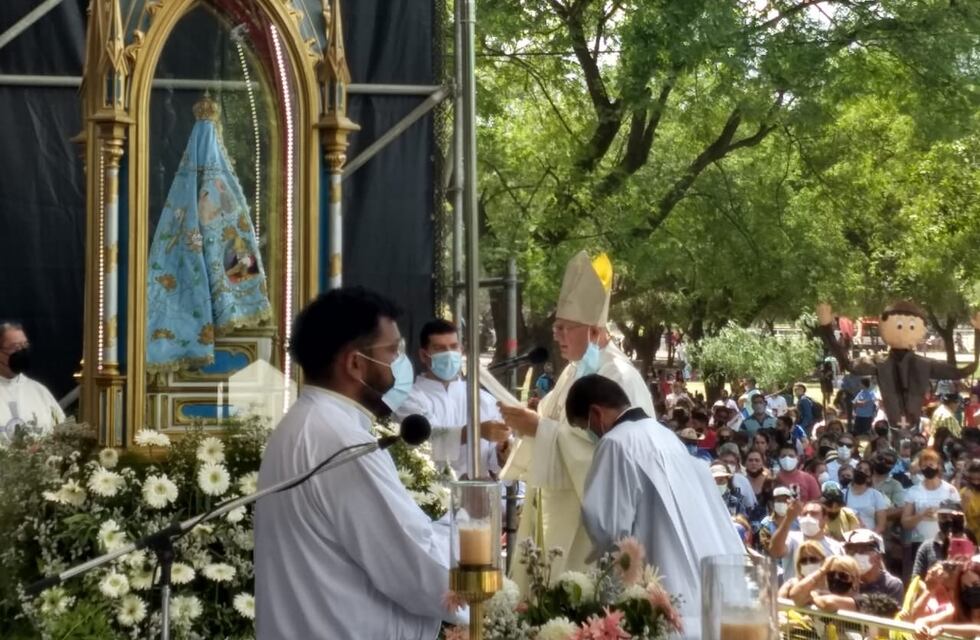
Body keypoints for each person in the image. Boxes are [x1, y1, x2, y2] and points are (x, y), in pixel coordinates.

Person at [254, 287, 456, 638]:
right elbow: (417, 570)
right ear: (355, 363)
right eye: (393, 351)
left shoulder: (305, 424)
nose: (400, 365)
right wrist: (469, 529)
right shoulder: (341, 442)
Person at [499, 252, 655, 586]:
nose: (556, 335)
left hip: (588, 533)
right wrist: (518, 433)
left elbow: (619, 462)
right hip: (554, 518)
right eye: (557, 326)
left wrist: (539, 429)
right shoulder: (574, 370)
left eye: (564, 327)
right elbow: (549, 427)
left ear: (596, 332)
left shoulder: (620, 377)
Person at [570, 374, 743, 640]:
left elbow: (607, 528)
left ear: (596, 412)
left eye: (586, 427)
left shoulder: (615, 443)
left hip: (661, 593)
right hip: (702, 592)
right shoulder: (668, 437)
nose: (590, 434)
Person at [395, 319, 510, 479]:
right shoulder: (409, 399)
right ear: (423, 355)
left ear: (461, 350)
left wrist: (502, 454)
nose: (448, 354)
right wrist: (475, 431)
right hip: (433, 494)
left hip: (480, 494)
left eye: (453, 347)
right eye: (439, 348)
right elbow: (424, 443)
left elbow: (495, 461)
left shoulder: (483, 398)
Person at [903, 449, 962, 581]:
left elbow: (960, 518)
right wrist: (921, 515)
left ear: (938, 466)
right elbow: (905, 522)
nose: (927, 468)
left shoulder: (950, 490)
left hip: (944, 542)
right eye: (924, 466)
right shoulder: (913, 491)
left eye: (931, 465)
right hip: (919, 542)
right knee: (920, 578)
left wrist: (942, 514)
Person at [0, 321, 64, 433]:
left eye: (25, 345)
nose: (22, 352)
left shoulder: (38, 391)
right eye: (15, 347)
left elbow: (62, 430)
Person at [770, 499, 844, 581]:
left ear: (825, 519)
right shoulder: (791, 537)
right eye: (804, 514)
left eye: (813, 514)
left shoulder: (836, 547)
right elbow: (775, 551)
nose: (808, 517)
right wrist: (788, 519)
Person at [912, 500, 971, 580]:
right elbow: (916, 579)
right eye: (944, 517)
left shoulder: (971, 545)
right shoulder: (927, 547)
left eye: (953, 517)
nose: (949, 521)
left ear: (961, 520)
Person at [843, 529, 903, 603]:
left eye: (864, 550)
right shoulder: (844, 580)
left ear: (878, 556)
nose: (857, 555)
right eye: (853, 550)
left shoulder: (892, 585)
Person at [787, 555, 862, 610]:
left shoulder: (862, 600)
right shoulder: (821, 595)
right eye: (831, 575)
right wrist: (822, 570)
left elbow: (829, 603)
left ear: (855, 579)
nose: (836, 578)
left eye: (843, 576)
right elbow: (795, 595)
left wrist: (813, 598)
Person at [845, 459, 890, 534]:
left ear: (869, 477)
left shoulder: (876, 495)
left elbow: (881, 525)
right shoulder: (844, 493)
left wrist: (870, 537)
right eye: (859, 468)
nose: (861, 471)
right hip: (848, 538)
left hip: (870, 539)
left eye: (866, 471)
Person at [961, 460, 980, 541]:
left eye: (979, 479)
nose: (976, 482)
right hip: (971, 539)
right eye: (972, 479)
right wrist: (965, 502)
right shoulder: (964, 493)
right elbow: (959, 517)